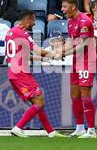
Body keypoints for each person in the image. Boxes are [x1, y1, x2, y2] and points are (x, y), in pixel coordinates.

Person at [7, 10, 66, 138]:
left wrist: (45, 59)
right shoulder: (23, 33)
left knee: (38, 103)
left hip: (13, 73)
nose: (34, 23)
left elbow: (26, 55)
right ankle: (18, 128)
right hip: (21, 73)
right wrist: (55, 54)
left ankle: (51, 132)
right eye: (33, 20)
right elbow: (38, 50)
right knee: (40, 103)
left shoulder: (11, 32)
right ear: (28, 19)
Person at [60, 0, 97, 138]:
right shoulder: (70, 22)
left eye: (64, 6)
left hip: (87, 61)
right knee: (74, 95)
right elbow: (71, 42)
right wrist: (61, 51)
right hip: (76, 61)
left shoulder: (84, 21)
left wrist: (64, 52)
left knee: (85, 95)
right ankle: (80, 127)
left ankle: (92, 130)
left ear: (73, 6)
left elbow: (83, 45)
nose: (62, 9)